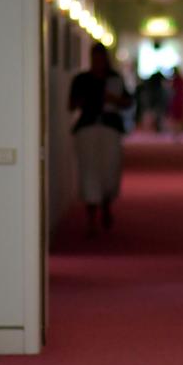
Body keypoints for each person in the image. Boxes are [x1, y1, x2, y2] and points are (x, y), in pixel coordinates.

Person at [69, 43, 132, 236]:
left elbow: (128, 101)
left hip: (110, 127)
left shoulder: (115, 78)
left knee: (109, 169)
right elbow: (71, 104)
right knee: (89, 170)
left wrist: (112, 99)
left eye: (101, 58)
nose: (98, 62)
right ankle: (91, 216)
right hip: (87, 128)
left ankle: (106, 204)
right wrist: (88, 98)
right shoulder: (82, 79)